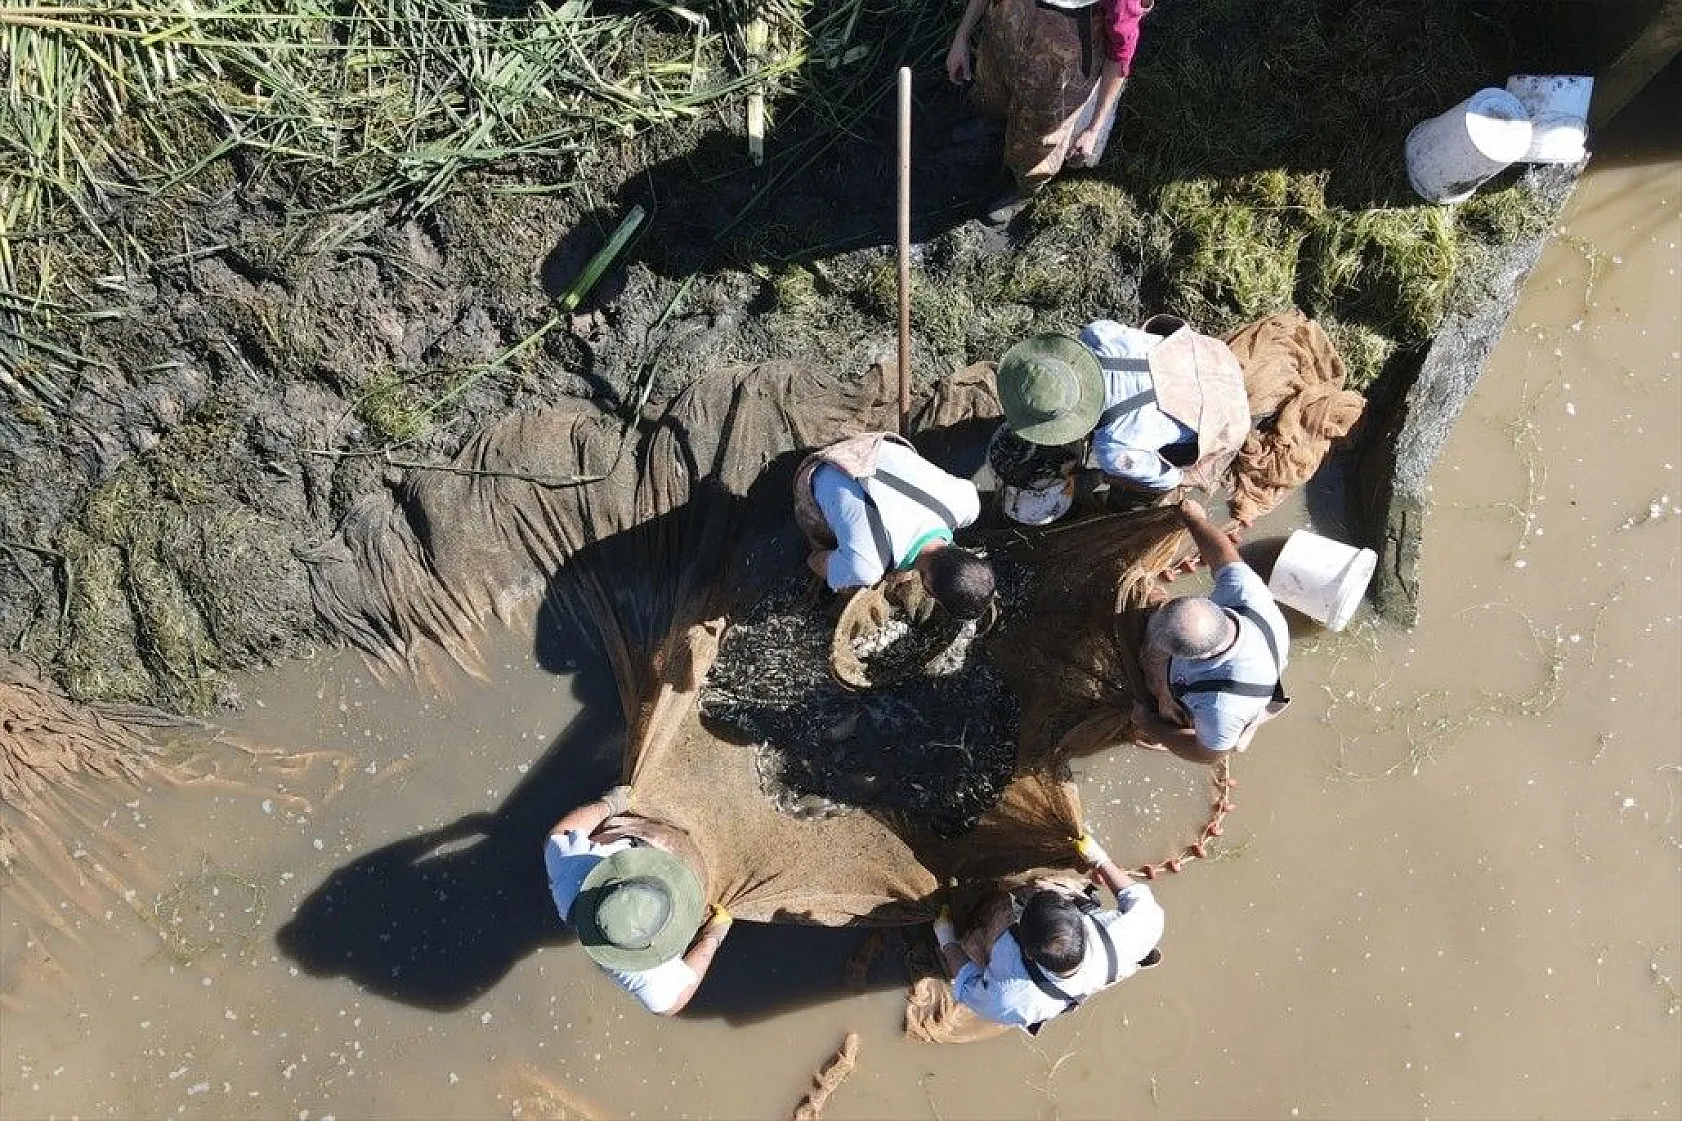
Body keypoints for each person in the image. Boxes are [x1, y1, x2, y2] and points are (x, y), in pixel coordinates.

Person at [995, 321, 1250, 502]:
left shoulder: (1113, 448)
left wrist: (1112, 477)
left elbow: (1170, 480)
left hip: (1227, 415)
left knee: (1139, 488)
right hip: (1211, 355)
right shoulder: (1096, 334)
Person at [935, 832, 1164, 1032]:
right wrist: (1099, 859)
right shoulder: (1137, 929)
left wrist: (946, 938)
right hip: (1090, 970)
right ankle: (1050, 897)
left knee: (974, 939)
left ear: (1027, 954)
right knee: (1048, 886)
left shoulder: (1009, 999)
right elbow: (1133, 895)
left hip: (1039, 991)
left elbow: (966, 985)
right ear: (1081, 924)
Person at [946, 0, 1151, 222]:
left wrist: (1093, 128)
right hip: (1005, 35)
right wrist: (962, 36)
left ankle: (1024, 187)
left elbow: (1119, 58)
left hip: (1059, 74)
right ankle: (992, 125)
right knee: (992, 91)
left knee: (1037, 139)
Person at [544, 784, 732, 1015]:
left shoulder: (572, 888)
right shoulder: (573, 877)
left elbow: (670, 1006)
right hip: (642, 839)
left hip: (684, 870)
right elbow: (558, 835)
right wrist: (610, 805)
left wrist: (712, 935)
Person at [1132, 498, 1291, 763]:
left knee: (1156, 711)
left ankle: (1167, 721)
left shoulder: (1220, 709)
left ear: (1189, 659)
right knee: (1146, 605)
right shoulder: (1244, 594)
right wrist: (1194, 520)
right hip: (1244, 663)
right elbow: (1223, 557)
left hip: (1229, 702)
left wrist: (1150, 723)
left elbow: (1208, 755)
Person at [792, 431, 995, 620]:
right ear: (929, 588)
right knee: (847, 577)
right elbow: (815, 561)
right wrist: (839, 567)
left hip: (875, 444)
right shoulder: (866, 566)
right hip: (824, 468)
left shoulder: (966, 503)